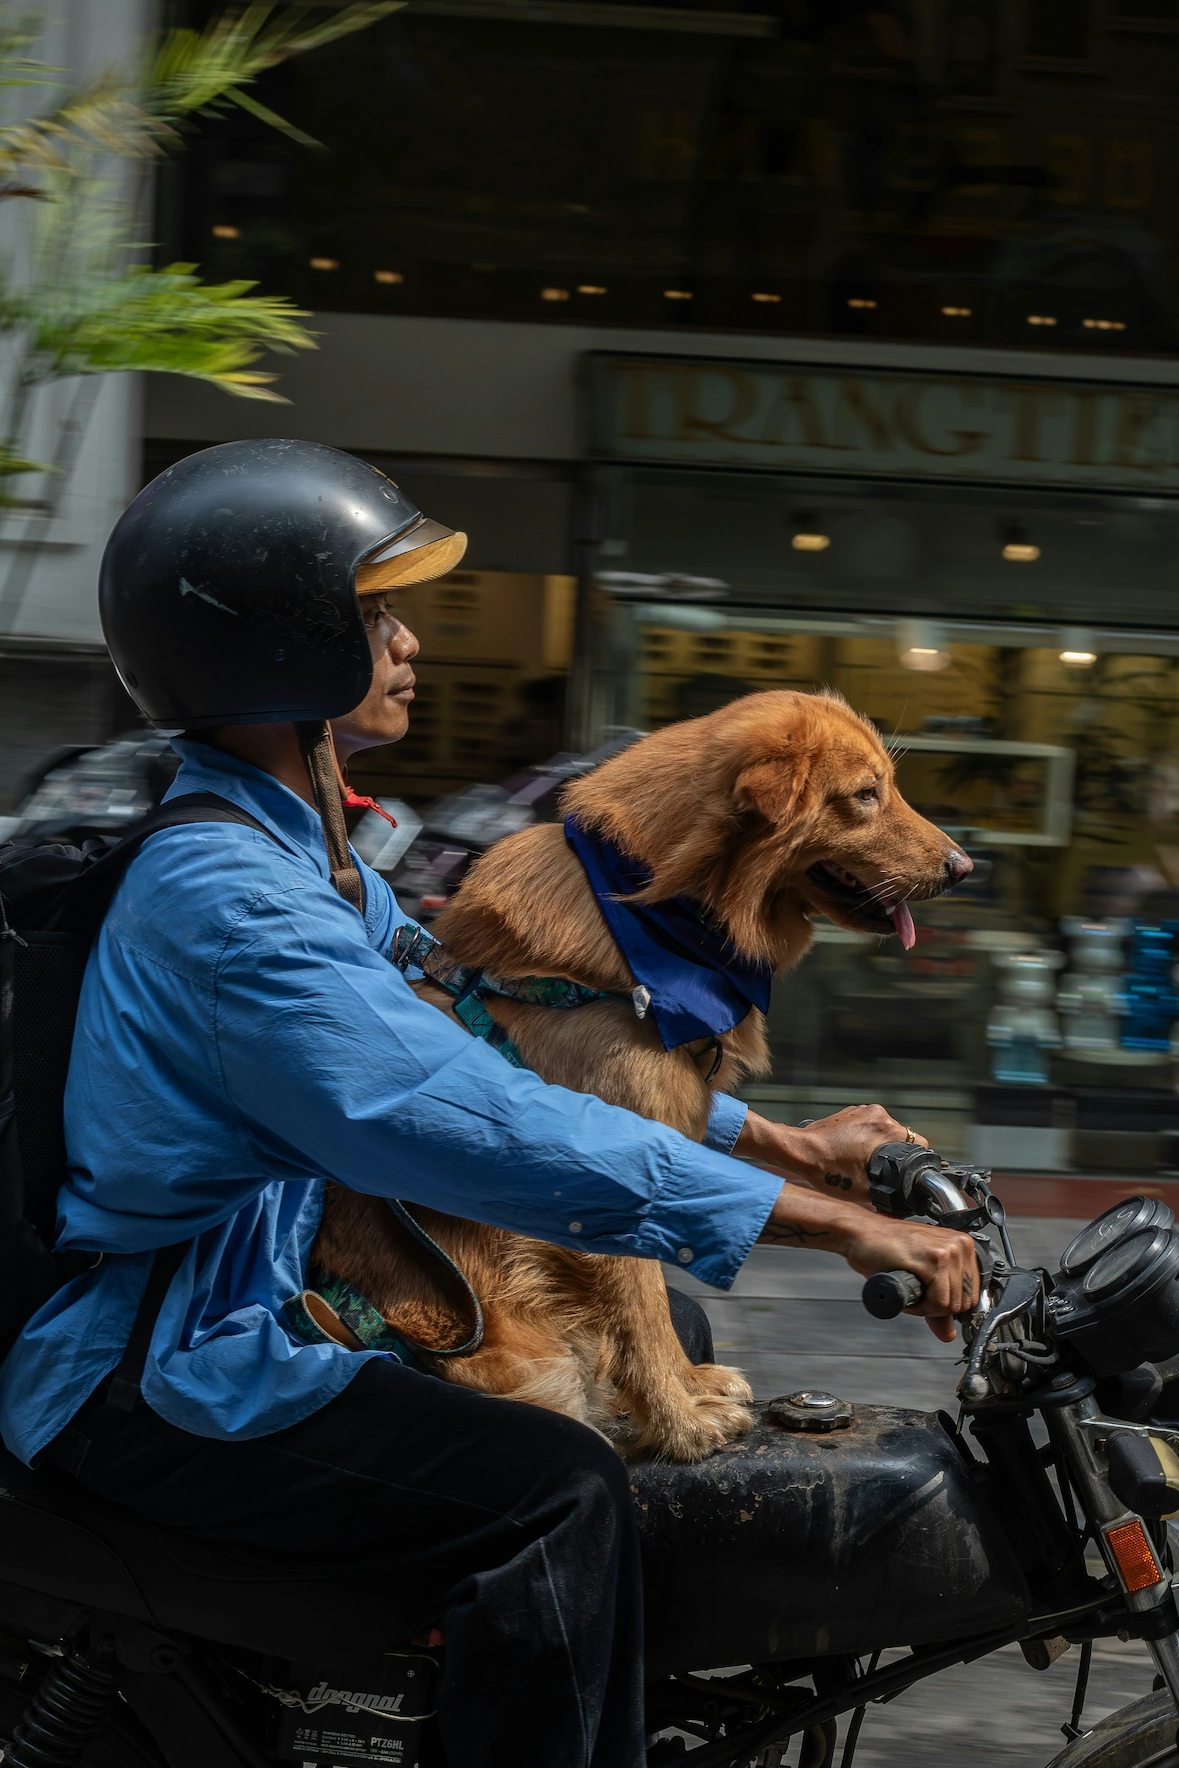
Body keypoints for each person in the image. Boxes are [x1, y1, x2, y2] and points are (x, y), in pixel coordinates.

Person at [0, 441, 976, 1768]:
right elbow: (462, 1123)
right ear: (283, 646)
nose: (406, 642)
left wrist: (781, 1142)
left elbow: (510, 1048)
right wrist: (829, 1225)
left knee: (662, 1324)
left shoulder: (310, 855)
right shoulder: (236, 909)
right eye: (375, 614)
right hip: (167, 1370)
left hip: (240, 1301)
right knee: (557, 1495)